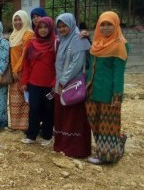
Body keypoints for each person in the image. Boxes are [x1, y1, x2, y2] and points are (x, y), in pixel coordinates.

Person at [86, 11, 128, 165]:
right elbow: (91, 68)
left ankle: (106, 156)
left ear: (116, 25)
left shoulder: (120, 45)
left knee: (107, 125)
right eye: (102, 24)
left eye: (109, 24)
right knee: (93, 120)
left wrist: (117, 96)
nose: (105, 28)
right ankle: (118, 141)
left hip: (108, 94)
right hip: (92, 91)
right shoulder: (96, 43)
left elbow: (119, 74)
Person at [53, 13, 91, 158]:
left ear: (72, 25)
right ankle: (63, 145)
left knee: (73, 118)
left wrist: (63, 80)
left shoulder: (78, 39)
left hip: (72, 85)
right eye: (59, 26)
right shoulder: (61, 41)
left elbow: (77, 63)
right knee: (63, 117)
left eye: (65, 26)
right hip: (61, 84)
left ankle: (75, 149)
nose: (62, 29)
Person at [20, 17, 56, 145]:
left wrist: (55, 83)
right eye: (40, 27)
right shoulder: (31, 44)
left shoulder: (56, 43)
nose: (43, 30)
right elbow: (27, 64)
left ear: (51, 28)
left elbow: (58, 65)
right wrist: (24, 82)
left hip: (50, 85)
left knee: (48, 110)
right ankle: (32, 135)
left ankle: (47, 136)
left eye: (46, 27)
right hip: (34, 83)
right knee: (34, 109)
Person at [8, 10, 34, 131]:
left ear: (25, 20)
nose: (17, 22)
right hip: (14, 73)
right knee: (15, 99)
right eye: (15, 20)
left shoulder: (28, 34)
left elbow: (25, 54)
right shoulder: (13, 35)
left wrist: (17, 69)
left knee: (24, 100)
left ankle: (25, 127)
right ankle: (15, 126)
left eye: (20, 19)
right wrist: (12, 70)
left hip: (22, 72)